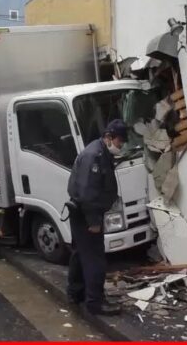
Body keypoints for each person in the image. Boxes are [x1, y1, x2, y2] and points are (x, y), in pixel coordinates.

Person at [65, 119, 127, 316]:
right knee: (95, 259)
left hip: (81, 213)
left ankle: (76, 293)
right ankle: (95, 302)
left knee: (80, 254)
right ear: (108, 137)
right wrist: (93, 221)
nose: (121, 146)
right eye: (119, 142)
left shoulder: (101, 152)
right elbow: (86, 192)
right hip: (87, 215)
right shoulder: (94, 156)